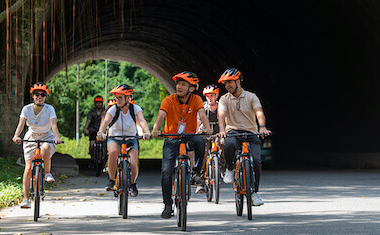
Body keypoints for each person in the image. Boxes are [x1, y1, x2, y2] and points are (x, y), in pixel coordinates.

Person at [151, 71, 211, 219]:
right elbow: (161, 116)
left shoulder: (196, 99)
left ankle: (196, 173)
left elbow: (202, 115)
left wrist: (208, 128)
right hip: (171, 137)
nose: (179, 86)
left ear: (191, 88)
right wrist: (155, 129)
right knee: (166, 172)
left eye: (183, 84)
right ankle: (167, 204)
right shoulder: (168, 100)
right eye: (178, 83)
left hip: (189, 135)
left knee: (200, 142)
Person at [218, 68, 270, 206]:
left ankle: (254, 192)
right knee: (229, 145)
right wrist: (222, 130)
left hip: (251, 132)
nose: (227, 85)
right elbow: (221, 115)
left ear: (238, 81)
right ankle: (229, 168)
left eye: (230, 82)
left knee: (257, 160)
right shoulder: (224, 99)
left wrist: (262, 126)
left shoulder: (251, 97)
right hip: (233, 131)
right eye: (225, 83)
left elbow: (259, 112)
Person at [12, 83, 63, 209]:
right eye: (36, 94)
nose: (39, 97)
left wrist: (57, 137)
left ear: (45, 97)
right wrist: (16, 135)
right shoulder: (26, 109)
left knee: (45, 149)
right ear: (32, 96)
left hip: (47, 136)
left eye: (42, 95)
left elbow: (54, 125)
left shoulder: (49, 108)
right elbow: (21, 124)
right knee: (28, 168)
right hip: (31, 137)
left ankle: (47, 173)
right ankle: (25, 199)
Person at [96, 84, 151, 198]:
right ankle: (112, 180)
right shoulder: (113, 109)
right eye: (116, 98)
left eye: (120, 98)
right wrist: (101, 132)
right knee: (113, 153)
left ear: (128, 98)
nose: (117, 100)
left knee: (133, 163)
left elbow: (142, 120)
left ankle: (133, 184)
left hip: (131, 139)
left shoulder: (135, 109)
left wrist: (146, 132)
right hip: (115, 139)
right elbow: (105, 122)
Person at [83, 96, 106, 167]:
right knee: (92, 144)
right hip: (93, 130)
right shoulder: (91, 112)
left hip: (103, 131)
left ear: (102, 103)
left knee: (105, 146)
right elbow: (88, 121)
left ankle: (105, 160)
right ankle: (92, 158)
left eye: (100, 103)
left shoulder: (105, 112)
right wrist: (85, 129)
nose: (98, 104)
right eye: (97, 103)